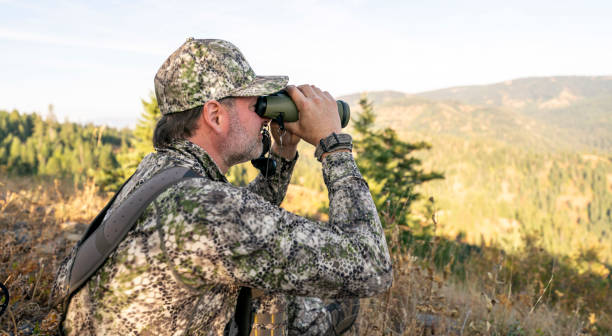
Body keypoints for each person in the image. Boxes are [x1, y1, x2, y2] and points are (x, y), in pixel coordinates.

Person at [52, 38, 392, 335]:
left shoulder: (162, 170)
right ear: (215, 115)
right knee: (334, 304)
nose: (265, 115)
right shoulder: (208, 207)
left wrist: (282, 156)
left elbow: (243, 225)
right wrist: (334, 146)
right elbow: (371, 265)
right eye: (256, 102)